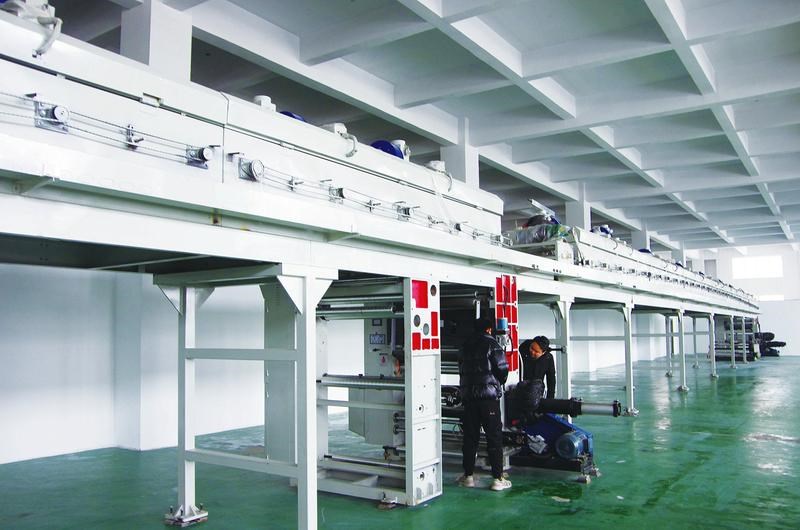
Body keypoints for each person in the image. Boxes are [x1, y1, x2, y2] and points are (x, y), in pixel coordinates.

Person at [456, 318, 511, 491]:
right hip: (488, 399)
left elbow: (461, 368)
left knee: (470, 437)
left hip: (469, 398)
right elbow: (502, 369)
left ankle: (468, 477)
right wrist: (499, 381)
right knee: (494, 437)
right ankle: (497, 479)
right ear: (489, 329)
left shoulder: (465, 346)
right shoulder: (493, 344)